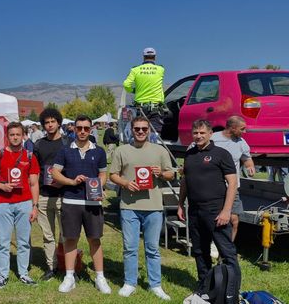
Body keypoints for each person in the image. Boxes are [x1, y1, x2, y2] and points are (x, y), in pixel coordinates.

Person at [109, 116, 174, 300]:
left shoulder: (159, 151)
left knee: (152, 248)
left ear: (150, 131)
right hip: (129, 206)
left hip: (153, 206)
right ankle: (130, 282)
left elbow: (170, 174)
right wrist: (125, 183)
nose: (140, 132)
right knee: (129, 248)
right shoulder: (122, 150)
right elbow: (112, 175)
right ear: (131, 129)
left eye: (144, 129)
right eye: (137, 129)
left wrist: (160, 173)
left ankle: (156, 285)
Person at [178, 119, 241, 296]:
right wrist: (180, 203)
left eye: (202, 133)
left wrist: (226, 210)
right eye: (195, 133)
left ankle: (232, 291)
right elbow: (185, 181)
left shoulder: (221, 154)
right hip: (195, 211)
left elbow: (232, 182)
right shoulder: (189, 154)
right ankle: (204, 288)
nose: (198, 136)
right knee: (199, 251)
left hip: (216, 211)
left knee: (227, 252)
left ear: (210, 133)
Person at [52, 115, 111, 294]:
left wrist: (97, 186)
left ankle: (100, 277)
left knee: (95, 239)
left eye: (86, 128)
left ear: (91, 129)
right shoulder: (64, 150)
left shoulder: (99, 151)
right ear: (74, 129)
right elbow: (55, 173)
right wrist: (71, 182)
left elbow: (103, 174)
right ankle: (69, 276)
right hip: (71, 201)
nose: (83, 131)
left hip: (92, 202)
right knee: (70, 239)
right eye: (79, 128)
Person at [0, 121, 40, 288]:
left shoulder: (30, 156)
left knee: (23, 242)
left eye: (18, 134)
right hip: (3, 204)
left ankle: (23, 274)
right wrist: (2, 186)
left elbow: (34, 183)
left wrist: (34, 206)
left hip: (24, 203)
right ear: (7, 137)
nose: (15, 137)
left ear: (23, 136)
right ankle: (3, 276)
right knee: (3, 242)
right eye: (12, 135)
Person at [32, 107, 72, 281]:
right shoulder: (38, 145)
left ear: (58, 123)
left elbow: (73, 166)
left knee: (66, 234)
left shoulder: (68, 143)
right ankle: (51, 267)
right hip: (44, 196)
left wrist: (62, 179)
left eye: (52, 121)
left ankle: (68, 268)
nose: (49, 125)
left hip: (64, 195)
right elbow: (35, 170)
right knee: (48, 236)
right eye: (46, 122)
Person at [210, 115, 255, 242]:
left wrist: (250, 167)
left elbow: (247, 158)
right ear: (232, 128)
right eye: (242, 129)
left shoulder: (241, 142)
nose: (245, 132)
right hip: (214, 187)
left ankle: (227, 250)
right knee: (214, 218)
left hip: (233, 187)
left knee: (234, 220)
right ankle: (212, 244)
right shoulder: (213, 139)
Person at [123, 47, 166, 136]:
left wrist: (134, 90)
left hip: (140, 109)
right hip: (156, 109)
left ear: (143, 57)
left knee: (140, 134)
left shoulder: (135, 70)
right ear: (154, 57)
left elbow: (126, 84)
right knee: (155, 135)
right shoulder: (160, 69)